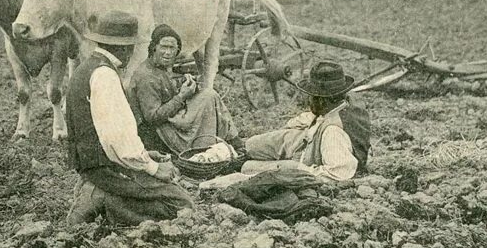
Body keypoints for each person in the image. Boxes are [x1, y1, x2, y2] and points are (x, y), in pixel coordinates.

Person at [65, 11, 194, 226]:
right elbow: (116, 137)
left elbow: (102, 133)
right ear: (126, 48)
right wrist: (153, 168)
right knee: (181, 203)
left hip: (94, 165)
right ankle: (103, 197)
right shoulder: (105, 76)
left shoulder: (85, 68)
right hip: (107, 170)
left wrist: (145, 154)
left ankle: (103, 193)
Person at [242, 60, 370, 182]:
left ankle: (242, 164)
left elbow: (337, 173)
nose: (308, 100)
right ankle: (245, 153)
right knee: (252, 144)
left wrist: (296, 168)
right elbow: (309, 117)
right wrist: (289, 129)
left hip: (314, 161)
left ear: (322, 100)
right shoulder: (338, 106)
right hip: (311, 143)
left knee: (248, 168)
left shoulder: (333, 132)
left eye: (311, 96)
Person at [128, 24, 242, 154]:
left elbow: (165, 88)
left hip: (169, 121)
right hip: (158, 133)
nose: (168, 53)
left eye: (172, 48)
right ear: (154, 47)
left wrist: (185, 83)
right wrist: (181, 96)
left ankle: (231, 139)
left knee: (209, 95)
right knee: (208, 98)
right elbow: (152, 118)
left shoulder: (158, 67)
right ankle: (208, 146)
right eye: (164, 47)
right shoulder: (146, 76)